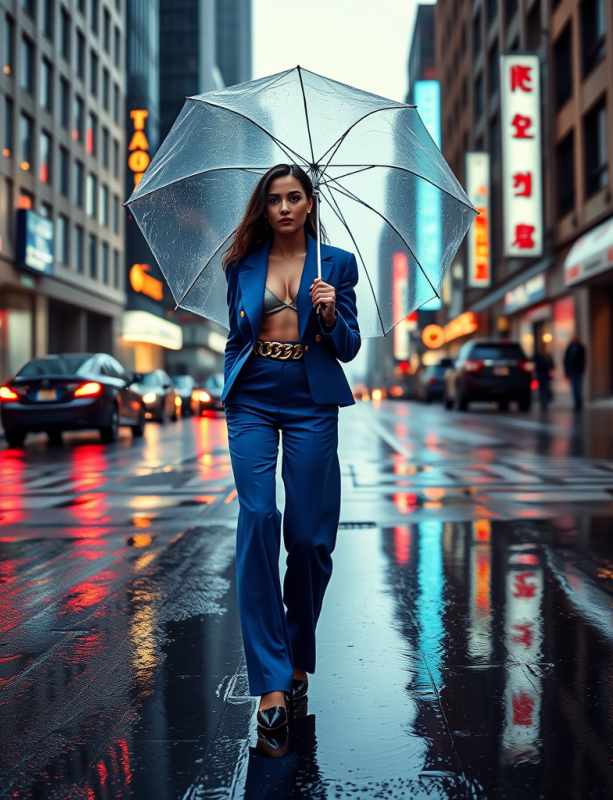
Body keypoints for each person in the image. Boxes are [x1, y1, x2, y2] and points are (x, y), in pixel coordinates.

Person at [222, 164, 361, 733]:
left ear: (309, 203)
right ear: (265, 205)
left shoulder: (337, 264)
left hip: (310, 397)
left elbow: (349, 347)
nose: (283, 207)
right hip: (253, 396)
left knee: (307, 538)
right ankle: (271, 683)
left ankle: (298, 658)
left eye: (294, 198)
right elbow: (236, 336)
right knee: (259, 518)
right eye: (274, 199)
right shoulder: (242, 264)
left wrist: (329, 313)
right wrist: (230, 376)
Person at [563, 334, 587, 411]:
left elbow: (583, 360)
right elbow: (566, 360)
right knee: (574, 389)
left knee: (578, 388)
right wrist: (566, 372)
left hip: (578, 371)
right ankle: (576, 404)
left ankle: (579, 403)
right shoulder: (569, 347)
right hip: (572, 371)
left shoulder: (580, 347)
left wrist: (582, 369)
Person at [534, 341, 554, 412]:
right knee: (542, 390)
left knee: (546, 389)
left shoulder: (547, 354)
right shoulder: (537, 355)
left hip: (546, 374)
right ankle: (543, 403)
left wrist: (552, 371)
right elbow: (535, 365)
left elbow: (551, 364)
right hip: (540, 374)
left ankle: (545, 403)